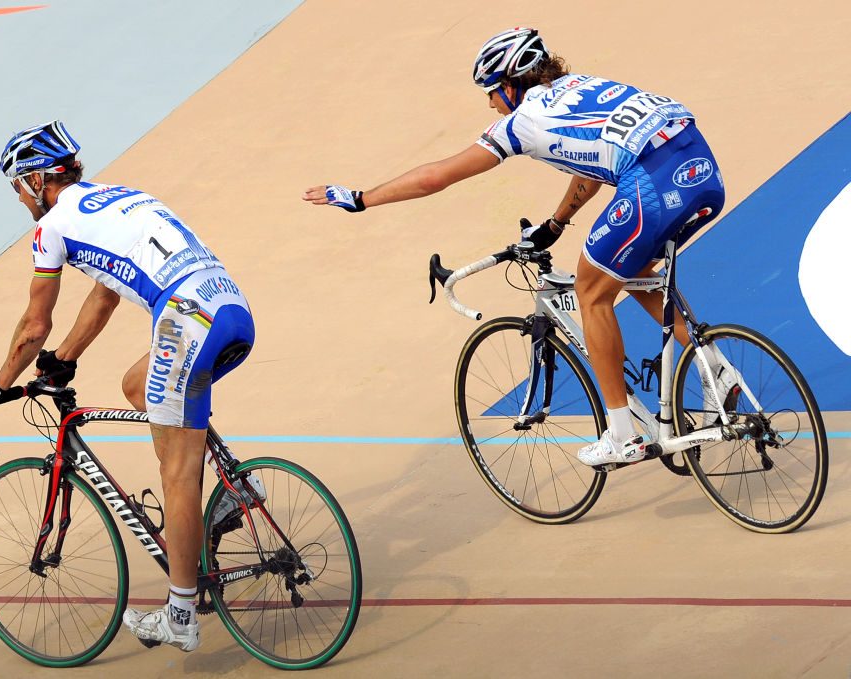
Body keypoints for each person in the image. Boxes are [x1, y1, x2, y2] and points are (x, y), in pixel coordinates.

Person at [303, 27, 737, 466]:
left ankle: (621, 434)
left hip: (652, 183)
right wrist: (556, 222)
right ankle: (716, 369)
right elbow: (592, 163)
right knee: (628, 270)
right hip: (701, 171)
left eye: (491, 92)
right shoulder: (587, 86)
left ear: (510, 85)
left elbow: (438, 176)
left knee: (590, 291)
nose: (491, 103)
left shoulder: (522, 122)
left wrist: (360, 198)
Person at [0, 120, 258, 652]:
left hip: (186, 320)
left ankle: (180, 615)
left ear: (35, 180)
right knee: (138, 386)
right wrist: (64, 360)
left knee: (177, 475)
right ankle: (236, 488)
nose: (20, 201)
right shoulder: (121, 198)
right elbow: (105, 296)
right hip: (231, 309)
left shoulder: (51, 229)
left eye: (18, 189)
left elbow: (33, 326)